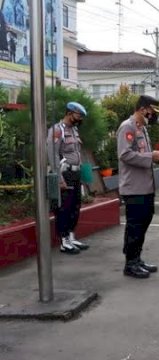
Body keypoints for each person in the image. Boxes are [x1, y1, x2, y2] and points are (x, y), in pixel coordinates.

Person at [117, 95, 159, 279]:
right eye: (152, 111)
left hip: (146, 186)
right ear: (143, 109)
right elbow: (125, 154)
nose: (153, 115)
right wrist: (150, 156)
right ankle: (130, 264)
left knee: (144, 223)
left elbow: (145, 155)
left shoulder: (142, 129)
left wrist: (156, 157)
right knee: (135, 226)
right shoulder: (127, 127)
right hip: (134, 187)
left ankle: (137, 258)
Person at [47, 102, 90, 254]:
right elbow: (52, 155)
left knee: (75, 206)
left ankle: (71, 237)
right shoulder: (58, 130)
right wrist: (59, 178)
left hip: (76, 173)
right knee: (64, 207)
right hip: (65, 174)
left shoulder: (74, 130)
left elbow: (78, 154)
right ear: (69, 113)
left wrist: (84, 176)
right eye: (78, 116)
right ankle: (64, 241)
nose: (80, 119)